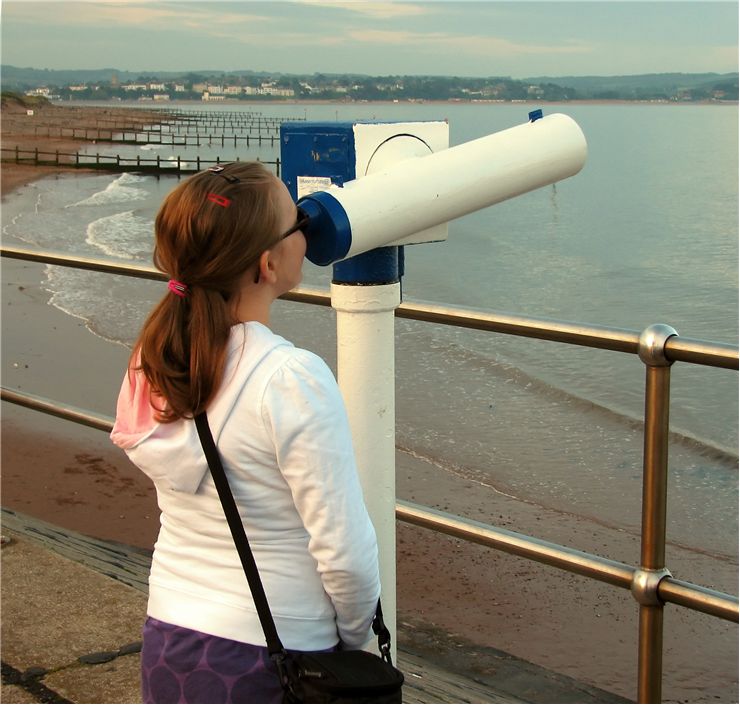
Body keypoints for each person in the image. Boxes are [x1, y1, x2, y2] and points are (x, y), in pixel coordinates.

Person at [110, 162, 381, 704]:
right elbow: (345, 553)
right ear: (267, 262)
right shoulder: (289, 378)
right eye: (296, 223)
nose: (308, 231)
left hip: (171, 631)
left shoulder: (157, 356)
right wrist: (354, 641)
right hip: (274, 651)